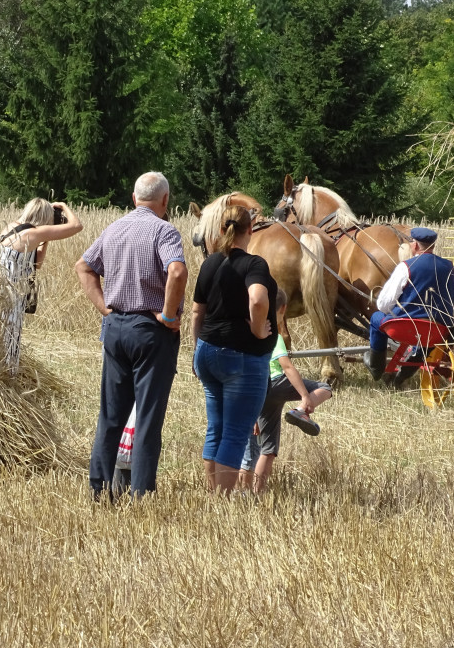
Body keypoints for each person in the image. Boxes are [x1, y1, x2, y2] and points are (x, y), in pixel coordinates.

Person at [76, 172, 187, 498]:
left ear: (134, 197)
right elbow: (177, 271)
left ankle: (99, 488)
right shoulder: (164, 230)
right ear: (165, 200)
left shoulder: (113, 228)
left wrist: (105, 308)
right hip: (150, 332)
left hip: (115, 328)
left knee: (110, 415)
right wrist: (168, 315)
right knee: (148, 417)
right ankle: (140, 492)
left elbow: (83, 266)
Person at [192, 204, 277, 495]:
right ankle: (223, 501)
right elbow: (257, 300)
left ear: (219, 230)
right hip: (242, 358)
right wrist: (256, 329)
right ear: (250, 229)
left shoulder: (209, 263)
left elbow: (195, 312)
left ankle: (213, 490)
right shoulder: (255, 265)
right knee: (235, 432)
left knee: (215, 427)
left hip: (207, 352)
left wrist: (196, 351)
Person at [239, 288, 333, 493]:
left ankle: (249, 493)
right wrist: (305, 396)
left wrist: (252, 410)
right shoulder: (275, 336)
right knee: (325, 387)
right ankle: (301, 410)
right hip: (276, 383)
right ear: (283, 309)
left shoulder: (250, 333)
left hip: (257, 391)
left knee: (262, 447)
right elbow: (287, 367)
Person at [363, 226, 454, 381]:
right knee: (427, 339)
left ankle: (376, 367)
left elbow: (383, 304)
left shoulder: (406, 266)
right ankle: (405, 373)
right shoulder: (450, 267)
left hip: (401, 328)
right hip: (436, 331)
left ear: (415, 245)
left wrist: (394, 312)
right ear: (433, 245)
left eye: (411, 242)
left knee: (376, 318)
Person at [0, 198, 82, 367]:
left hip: (0, 290)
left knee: (1, 337)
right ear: (44, 217)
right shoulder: (32, 234)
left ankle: (3, 372)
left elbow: (37, 262)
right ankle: (8, 376)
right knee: (10, 339)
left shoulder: (13, 227)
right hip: (10, 295)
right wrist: (63, 206)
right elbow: (77, 226)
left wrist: (47, 238)